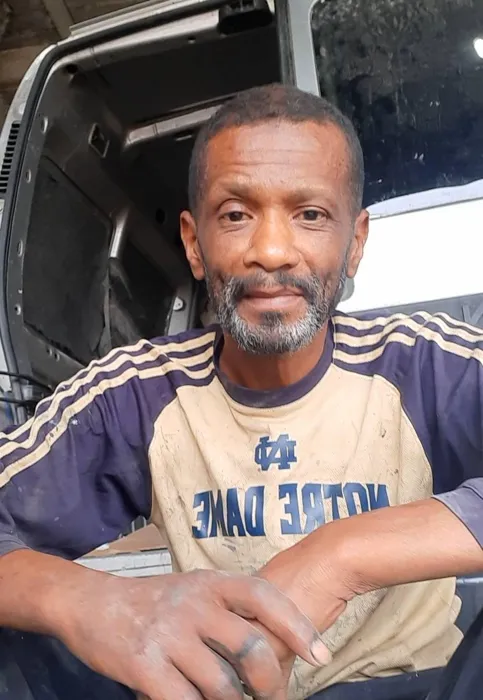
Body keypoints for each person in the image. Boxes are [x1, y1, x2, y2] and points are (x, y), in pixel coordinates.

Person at [0, 83, 483, 700]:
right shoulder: (138, 393)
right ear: (194, 244)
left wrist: (343, 557)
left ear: (355, 243)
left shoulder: (423, 363)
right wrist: (95, 603)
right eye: (235, 215)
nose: (272, 251)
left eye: (310, 215)